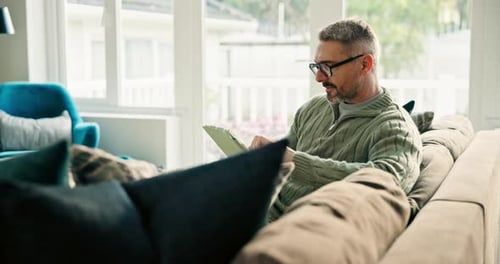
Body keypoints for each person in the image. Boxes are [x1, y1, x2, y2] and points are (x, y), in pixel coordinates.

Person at [250, 18, 422, 221]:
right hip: (257, 208)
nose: (319, 78)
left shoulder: (395, 127)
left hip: (293, 227)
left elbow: (388, 183)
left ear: (365, 64)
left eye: (328, 67)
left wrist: (294, 161)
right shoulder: (313, 108)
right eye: (317, 67)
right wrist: (264, 155)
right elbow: (284, 155)